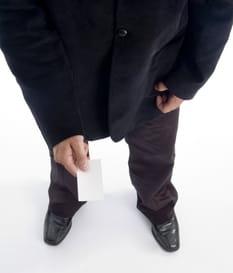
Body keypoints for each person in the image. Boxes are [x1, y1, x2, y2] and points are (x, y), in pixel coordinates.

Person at [0, 1, 232, 251]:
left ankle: (158, 202)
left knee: (157, 152)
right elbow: (15, 12)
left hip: (156, 72)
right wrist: (56, 113)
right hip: (68, 73)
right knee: (70, 155)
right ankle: (67, 199)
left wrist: (189, 75)